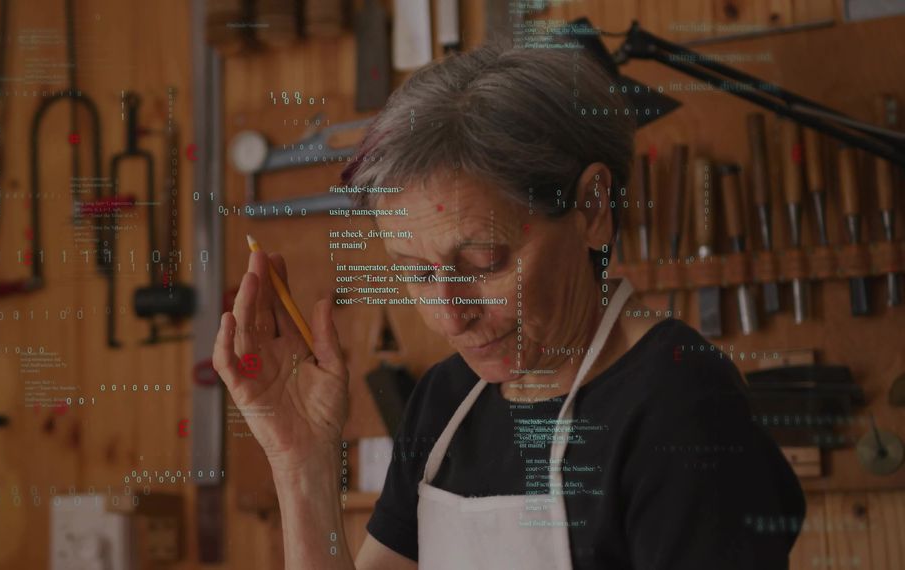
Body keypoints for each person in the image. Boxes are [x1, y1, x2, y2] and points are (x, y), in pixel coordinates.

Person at [213, 44, 805, 570]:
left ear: (593, 208)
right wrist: (302, 465)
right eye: (417, 272)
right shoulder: (446, 402)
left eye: (484, 261)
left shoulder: (679, 406)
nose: (449, 316)